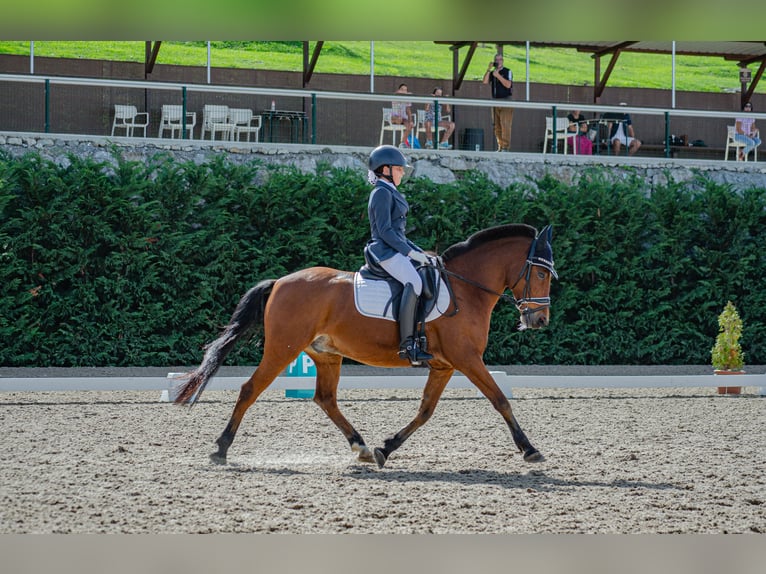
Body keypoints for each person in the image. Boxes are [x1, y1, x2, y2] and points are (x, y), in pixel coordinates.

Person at [365, 145, 433, 365]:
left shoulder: (390, 191)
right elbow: (385, 231)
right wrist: (409, 252)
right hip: (384, 251)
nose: (403, 172)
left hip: (394, 249)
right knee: (414, 281)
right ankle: (408, 345)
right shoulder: (381, 193)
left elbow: (400, 233)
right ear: (386, 169)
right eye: (399, 169)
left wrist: (419, 253)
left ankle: (421, 335)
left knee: (425, 273)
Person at [482, 53, 513, 152]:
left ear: (503, 61)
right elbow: (485, 82)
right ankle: (500, 146)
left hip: (506, 100)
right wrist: (488, 69)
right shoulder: (492, 72)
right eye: (496, 59)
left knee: (505, 124)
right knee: (496, 125)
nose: (498, 61)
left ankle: (506, 147)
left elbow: (508, 85)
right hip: (495, 101)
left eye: (500, 59)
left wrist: (498, 76)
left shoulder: (507, 71)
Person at [391, 83, 415, 149]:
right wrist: (407, 93)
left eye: (405, 90)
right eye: (402, 89)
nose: (403, 91)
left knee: (410, 125)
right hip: (394, 117)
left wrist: (411, 121)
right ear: (399, 89)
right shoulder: (395, 96)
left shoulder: (407, 99)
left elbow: (408, 110)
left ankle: (403, 142)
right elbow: (397, 92)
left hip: (403, 118)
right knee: (399, 119)